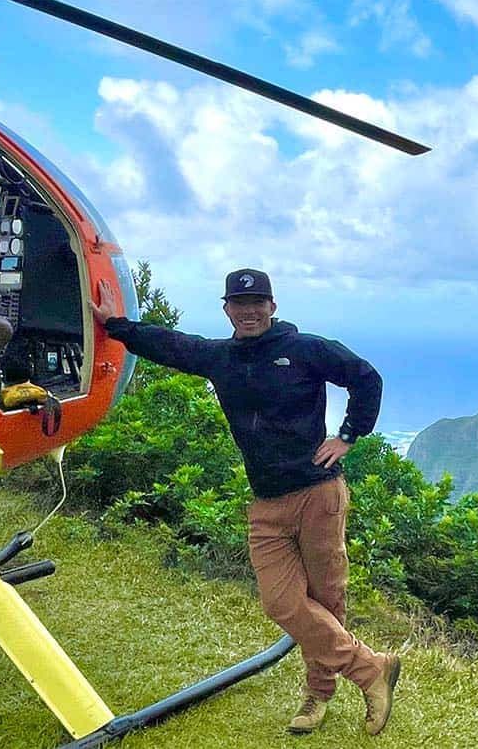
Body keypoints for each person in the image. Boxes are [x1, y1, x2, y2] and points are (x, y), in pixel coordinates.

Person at [90, 268, 400, 735]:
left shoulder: (304, 350)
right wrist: (116, 325)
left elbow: (365, 377)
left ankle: (317, 697)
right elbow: (170, 344)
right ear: (227, 310)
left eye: (257, 304)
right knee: (282, 603)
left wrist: (349, 436)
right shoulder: (221, 359)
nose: (249, 311)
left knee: (326, 599)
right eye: (239, 303)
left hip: (318, 495)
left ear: (272, 307)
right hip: (267, 506)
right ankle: (369, 667)